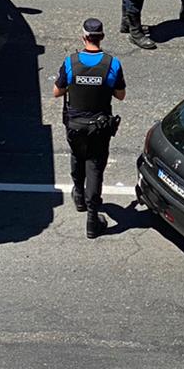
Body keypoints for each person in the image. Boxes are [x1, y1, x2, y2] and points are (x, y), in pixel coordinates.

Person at [51, 18, 127, 238]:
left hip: (75, 126)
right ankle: (92, 220)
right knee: (94, 167)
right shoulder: (112, 64)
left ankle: (79, 196)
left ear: (83, 37)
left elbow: (57, 92)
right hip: (99, 128)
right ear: (101, 37)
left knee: (77, 156)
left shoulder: (71, 62)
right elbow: (120, 95)